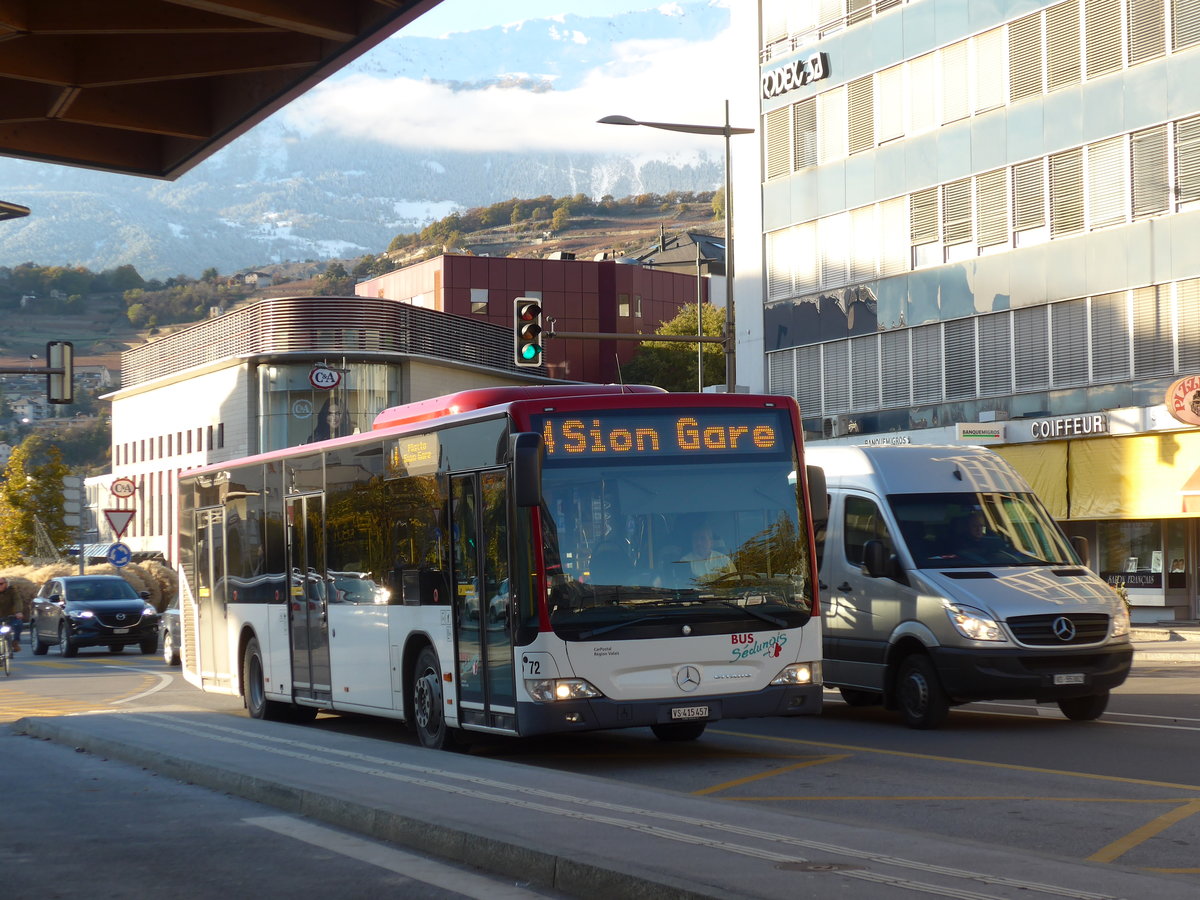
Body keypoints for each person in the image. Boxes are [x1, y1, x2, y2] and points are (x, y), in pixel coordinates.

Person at [0, 576, 25, 652]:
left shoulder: (12, 591)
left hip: (11, 616)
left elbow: (17, 601)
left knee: (18, 624)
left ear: (6, 584)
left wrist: (18, 612)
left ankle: (15, 642)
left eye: (1, 584)